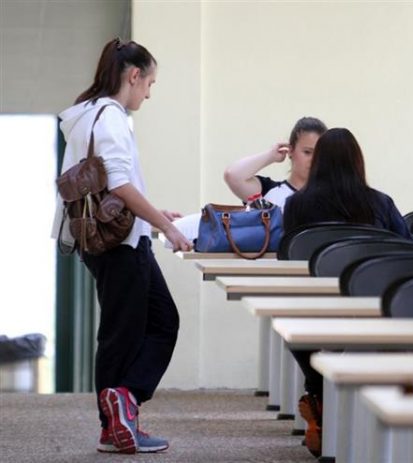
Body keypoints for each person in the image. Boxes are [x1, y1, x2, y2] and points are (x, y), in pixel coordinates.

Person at [51, 38, 192, 454]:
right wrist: (165, 226)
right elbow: (118, 184)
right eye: (149, 83)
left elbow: (109, 186)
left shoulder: (87, 114)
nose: (148, 93)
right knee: (129, 332)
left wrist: (152, 213)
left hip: (107, 236)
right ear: (133, 76)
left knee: (148, 324)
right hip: (122, 243)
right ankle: (120, 412)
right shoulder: (111, 116)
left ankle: (118, 414)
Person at [283, 127, 411, 457]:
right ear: (358, 161)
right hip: (374, 309)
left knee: (287, 324)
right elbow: (409, 248)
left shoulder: (296, 204)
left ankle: (318, 393)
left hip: (315, 309)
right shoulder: (380, 202)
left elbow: (288, 256)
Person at [223, 117, 327, 211]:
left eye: (320, 153)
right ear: (291, 151)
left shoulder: (330, 198)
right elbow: (232, 175)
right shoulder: (267, 192)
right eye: (307, 152)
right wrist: (271, 155)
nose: (314, 159)